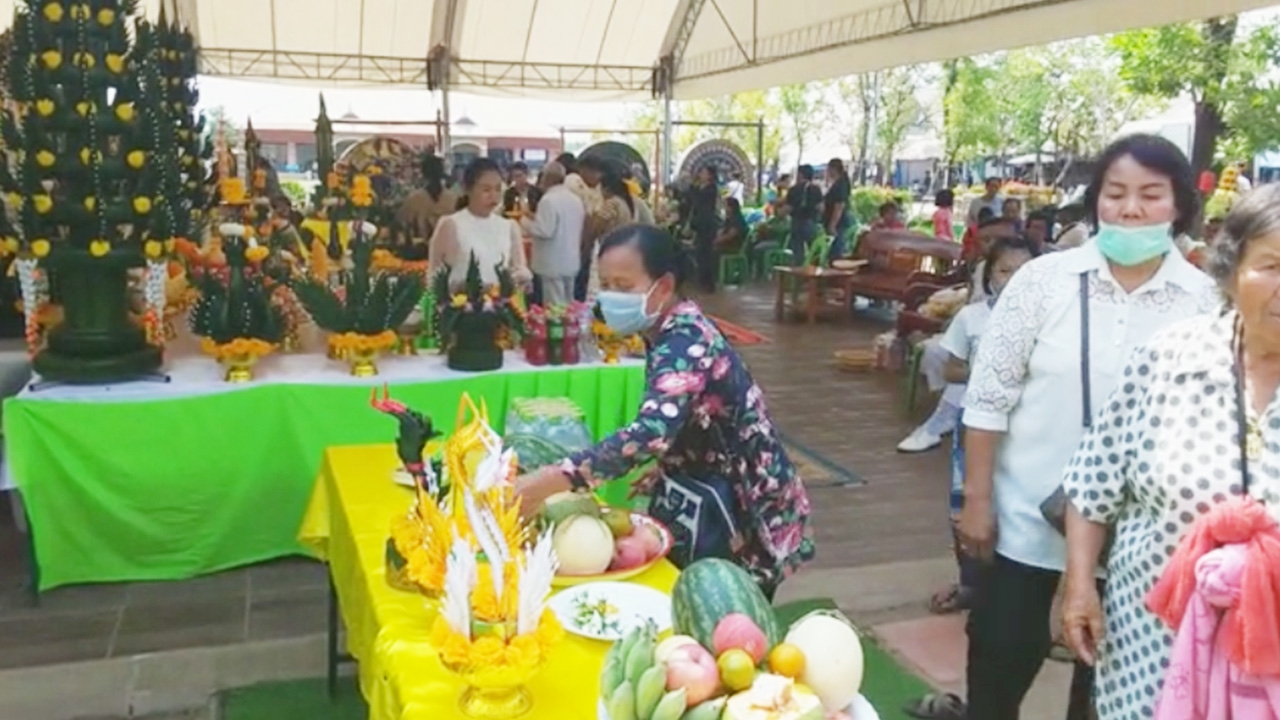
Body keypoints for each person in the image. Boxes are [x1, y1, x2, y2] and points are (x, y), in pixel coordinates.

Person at [946, 134, 1219, 720]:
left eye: (1151, 195)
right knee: (997, 667)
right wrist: (977, 501)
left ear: (1178, 208)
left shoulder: (1205, 303)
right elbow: (988, 399)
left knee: (1105, 694)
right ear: (1095, 201)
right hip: (1025, 524)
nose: (1130, 208)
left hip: (1142, 543)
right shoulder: (1042, 283)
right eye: (1115, 193)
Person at [1058, 185, 1280, 720]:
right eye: (1271, 265)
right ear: (1231, 269)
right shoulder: (1167, 360)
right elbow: (1091, 487)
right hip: (1149, 657)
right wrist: (1080, 587)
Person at [513, 224, 815, 600]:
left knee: (731, 619)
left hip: (744, 507)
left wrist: (551, 479)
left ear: (665, 286)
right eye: (605, 285)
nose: (611, 297)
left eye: (624, 286)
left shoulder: (685, 338)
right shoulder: (666, 328)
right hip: (712, 483)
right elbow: (692, 412)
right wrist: (667, 464)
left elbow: (648, 434)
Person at [911, 237, 1041, 626]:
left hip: (1029, 431)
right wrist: (989, 373)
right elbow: (950, 369)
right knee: (966, 503)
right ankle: (971, 584)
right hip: (977, 427)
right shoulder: (971, 319)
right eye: (1004, 270)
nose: (1013, 278)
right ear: (989, 276)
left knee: (1019, 507)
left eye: (1024, 270)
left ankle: (1011, 593)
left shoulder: (1051, 319)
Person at [428, 157, 532, 289]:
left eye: (498, 189)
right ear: (468, 189)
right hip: (459, 305)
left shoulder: (509, 227)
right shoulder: (450, 225)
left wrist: (522, 278)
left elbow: (518, 268)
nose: (493, 196)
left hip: (500, 305)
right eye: (486, 190)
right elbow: (434, 276)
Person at [520, 161, 583, 307]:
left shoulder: (548, 200)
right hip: (571, 260)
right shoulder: (575, 199)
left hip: (552, 263)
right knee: (569, 305)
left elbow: (545, 230)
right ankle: (569, 330)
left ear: (547, 178)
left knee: (554, 308)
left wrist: (524, 222)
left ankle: (557, 330)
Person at [398, 153, 458, 245]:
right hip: (421, 252)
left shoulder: (453, 199)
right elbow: (403, 227)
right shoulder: (414, 199)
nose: (435, 180)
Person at [688, 165, 721, 292]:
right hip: (700, 224)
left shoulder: (711, 189)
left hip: (707, 225)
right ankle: (702, 280)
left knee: (706, 253)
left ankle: (708, 282)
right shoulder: (700, 188)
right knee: (700, 252)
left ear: (710, 175)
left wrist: (694, 188)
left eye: (703, 172)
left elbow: (700, 199)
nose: (701, 174)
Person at [785, 166, 823, 263]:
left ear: (800, 175)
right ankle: (814, 270)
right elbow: (821, 207)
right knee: (814, 249)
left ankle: (799, 273)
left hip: (797, 222)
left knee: (797, 252)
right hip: (811, 222)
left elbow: (788, 208)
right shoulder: (816, 189)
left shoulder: (793, 189)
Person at [823, 159, 853, 256]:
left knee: (836, 250)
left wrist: (832, 225)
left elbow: (839, 206)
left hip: (837, 223)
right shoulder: (839, 183)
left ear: (833, 169)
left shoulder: (840, 185)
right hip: (836, 222)